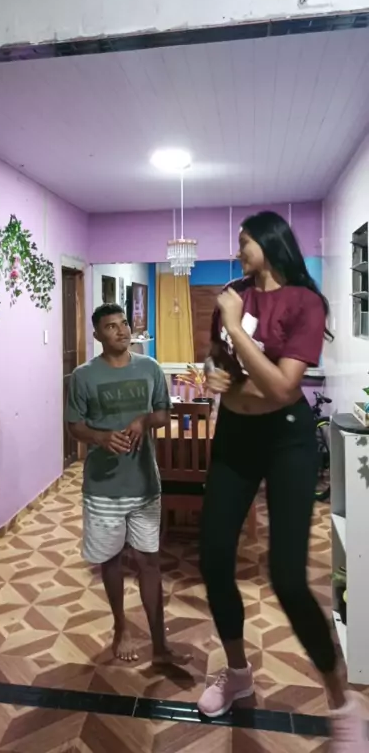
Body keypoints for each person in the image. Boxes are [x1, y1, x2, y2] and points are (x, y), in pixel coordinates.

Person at [198, 211, 368, 752]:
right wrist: (214, 372)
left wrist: (233, 327)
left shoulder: (304, 303)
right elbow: (220, 362)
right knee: (213, 559)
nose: (239, 250)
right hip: (235, 436)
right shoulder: (232, 295)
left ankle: (342, 701)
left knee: (288, 578)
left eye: (245, 241)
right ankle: (238, 674)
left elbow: (281, 388)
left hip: (286, 438)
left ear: (270, 243)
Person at [66, 303, 191, 666]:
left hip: (144, 483)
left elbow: (163, 414)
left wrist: (143, 420)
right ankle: (120, 627)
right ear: (97, 335)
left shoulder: (150, 368)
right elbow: (74, 425)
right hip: (103, 487)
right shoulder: (83, 376)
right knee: (111, 561)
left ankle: (160, 642)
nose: (121, 331)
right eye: (111, 327)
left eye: (123, 324)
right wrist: (100, 437)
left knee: (149, 562)